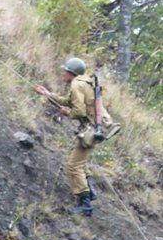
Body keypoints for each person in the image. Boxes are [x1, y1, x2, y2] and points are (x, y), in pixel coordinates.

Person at [34, 57, 121, 217]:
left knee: (73, 166)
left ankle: (85, 204)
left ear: (70, 72)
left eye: (64, 71)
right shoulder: (84, 83)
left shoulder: (76, 85)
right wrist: (47, 94)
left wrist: (67, 112)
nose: (62, 74)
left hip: (91, 130)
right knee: (80, 164)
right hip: (97, 129)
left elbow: (78, 111)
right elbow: (68, 101)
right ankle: (90, 192)